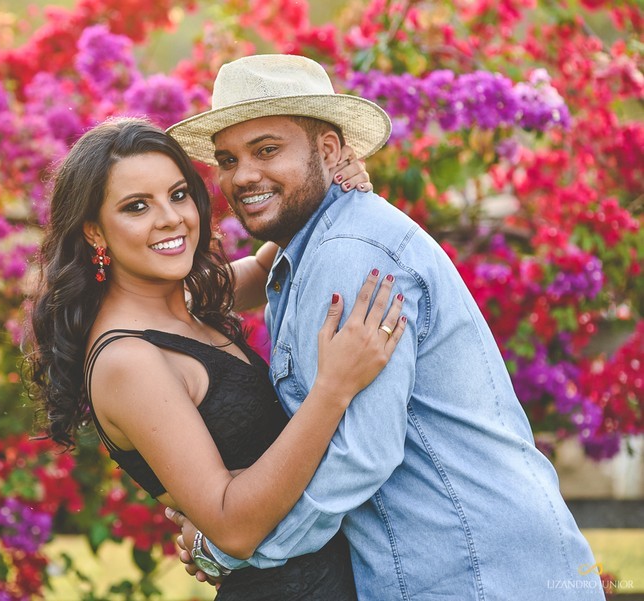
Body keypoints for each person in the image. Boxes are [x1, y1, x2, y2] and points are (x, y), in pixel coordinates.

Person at [165, 54, 605, 600]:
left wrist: (238, 548)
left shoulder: (350, 256)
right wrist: (138, 296)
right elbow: (249, 275)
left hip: (471, 572)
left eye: (267, 150)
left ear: (328, 150)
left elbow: (359, 456)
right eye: (227, 160)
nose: (243, 176)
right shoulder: (315, 245)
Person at [28, 117, 408, 600]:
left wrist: (330, 182)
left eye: (179, 194)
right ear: (95, 233)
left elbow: (273, 261)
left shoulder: (185, 300)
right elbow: (232, 526)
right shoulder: (128, 361)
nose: (170, 218)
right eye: (137, 206)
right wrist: (333, 389)